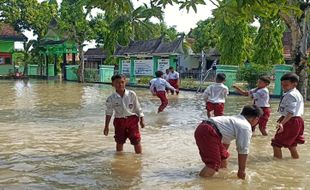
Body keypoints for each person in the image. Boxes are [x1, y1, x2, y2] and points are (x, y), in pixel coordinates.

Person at [194, 105, 263, 179]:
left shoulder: (234, 120)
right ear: (256, 119)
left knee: (223, 157)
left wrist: (220, 155)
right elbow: (243, 150)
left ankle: (220, 177)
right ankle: (199, 182)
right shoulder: (245, 127)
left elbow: (226, 141)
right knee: (213, 165)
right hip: (208, 131)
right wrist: (241, 171)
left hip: (204, 127)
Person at [103, 74, 145, 154]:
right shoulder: (111, 98)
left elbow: (138, 108)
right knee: (119, 141)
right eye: (117, 82)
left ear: (125, 82)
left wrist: (141, 119)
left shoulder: (131, 94)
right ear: (113, 84)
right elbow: (109, 113)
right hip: (119, 121)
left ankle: (139, 159)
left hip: (132, 120)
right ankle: (119, 159)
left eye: (122, 82)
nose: (120, 84)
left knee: (136, 140)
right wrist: (106, 126)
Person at [271, 73, 304, 159]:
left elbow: (291, 112)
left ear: (294, 84)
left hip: (291, 121)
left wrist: (282, 123)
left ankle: (276, 165)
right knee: (292, 144)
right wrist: (282, 117)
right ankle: (295, 161)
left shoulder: (290, 95)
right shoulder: (296, 93)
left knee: (276, 144)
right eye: (282, 84)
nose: (283, 87)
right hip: (297, 120)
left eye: (286, 85)